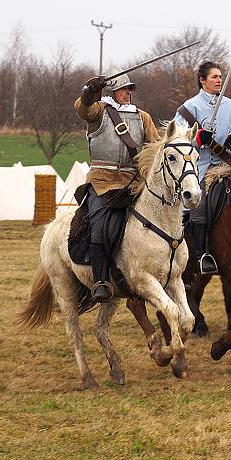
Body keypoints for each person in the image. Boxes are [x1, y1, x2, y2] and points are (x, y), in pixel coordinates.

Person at [74, 68, 160, 303]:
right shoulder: (99, 112)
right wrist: (89, 92)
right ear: (113, 90)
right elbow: (83, 108)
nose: (129, 92)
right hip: (103, 182)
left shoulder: (143, 117)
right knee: (100, 226)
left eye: (130, 89)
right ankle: (101, 280)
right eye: (124, 88)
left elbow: (155, 147)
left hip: (134, 184)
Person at [173, 61, 231, 274]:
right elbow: (177, 137)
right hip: (200, 167)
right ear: (202, 80)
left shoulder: (230, 105)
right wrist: (197, 138)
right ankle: (203, 254)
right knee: (200, 204)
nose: (219, 80)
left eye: (220, 77)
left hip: (228, 164)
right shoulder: (189, 107)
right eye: (214, 77)